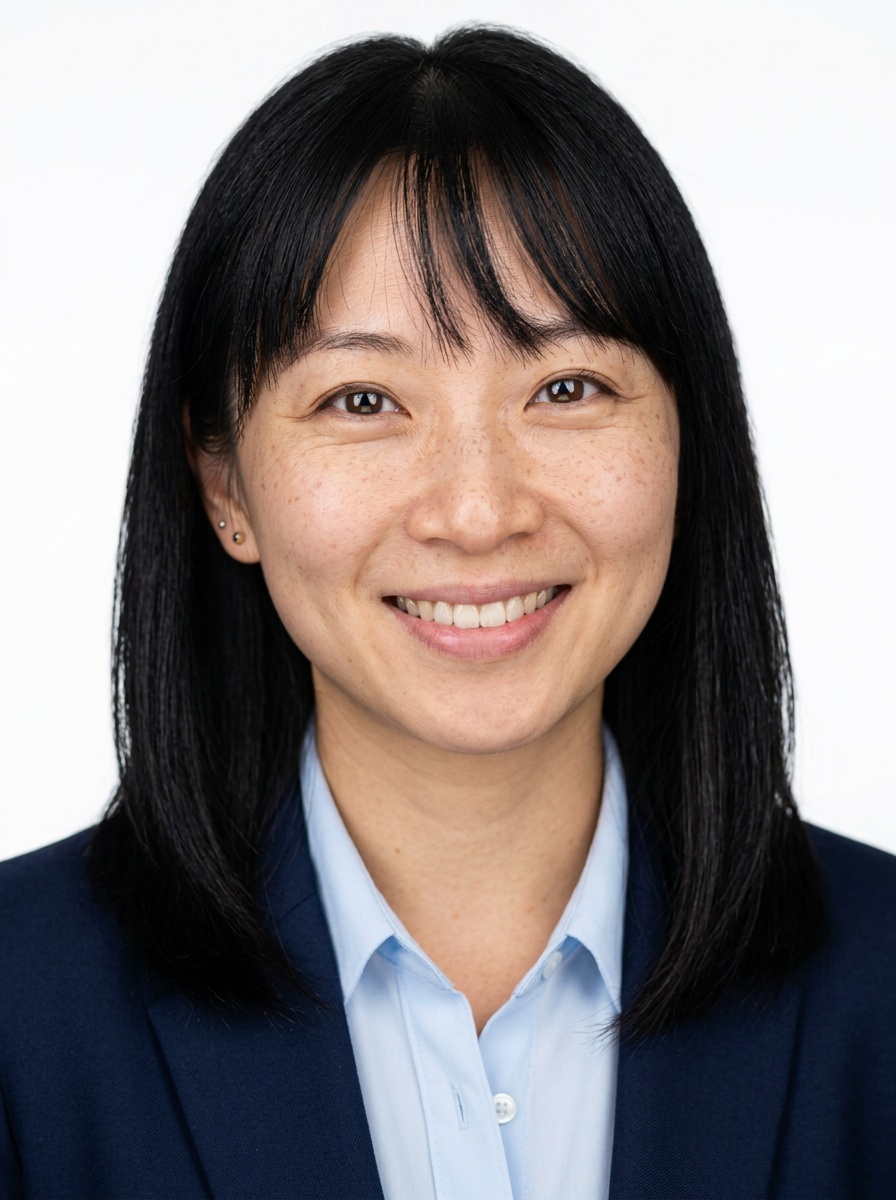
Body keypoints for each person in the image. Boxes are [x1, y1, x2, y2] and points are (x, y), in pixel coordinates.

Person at [0, 25, 893, 1200]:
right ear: (223, 485)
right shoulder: (20, 1008)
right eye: (362, 399)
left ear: (688, 438)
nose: (477, 512)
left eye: (565, 387)